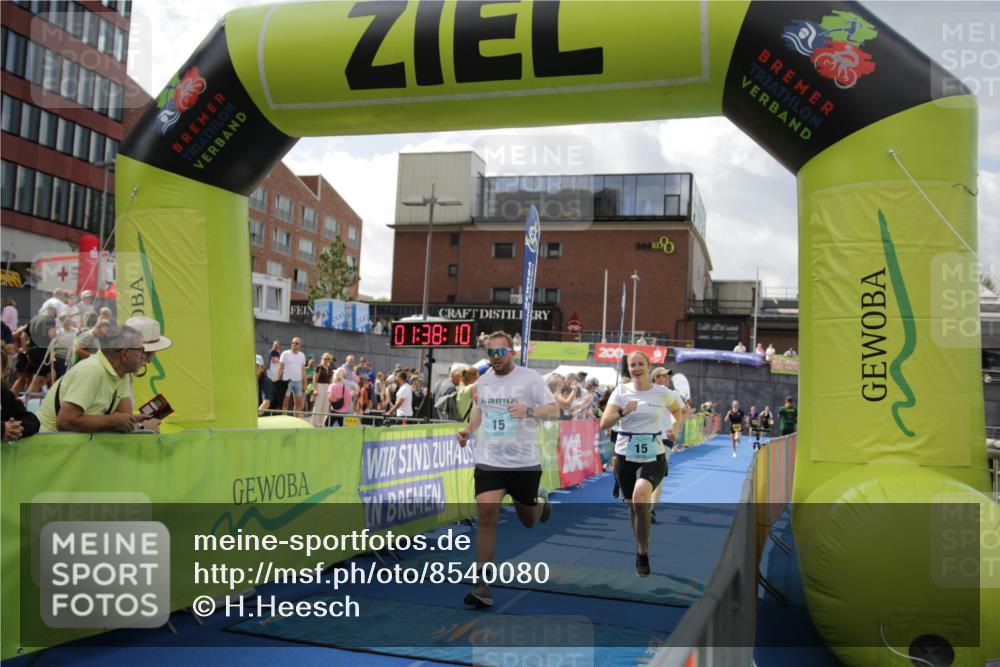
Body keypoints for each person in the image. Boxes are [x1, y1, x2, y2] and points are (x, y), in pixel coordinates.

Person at [457, 331, 559, 607]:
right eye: (491, 353)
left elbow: (553, 410)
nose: (495, 358)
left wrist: (528, 412)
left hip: (523, 463)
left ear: (511, 352)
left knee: (529, 520)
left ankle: (540, 503)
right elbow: (481, 410)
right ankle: (482, 586)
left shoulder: (530, 378)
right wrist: (468, 429)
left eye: (500, 352)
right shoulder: (485, 380)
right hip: (490, 460)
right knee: (487, 515)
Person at [600, 351, 683, 576]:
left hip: (653, 454)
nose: (636, 369)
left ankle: (642, 552)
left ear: (648, 366)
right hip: (625, 455)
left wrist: (674, 429)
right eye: (632, 365)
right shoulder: (621, 391)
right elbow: (603, 422)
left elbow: (678, 410)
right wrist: (622, 411)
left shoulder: (661, 392)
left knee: (640, 497)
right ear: (629, 368)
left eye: (640, 364)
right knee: (632, 507)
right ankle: (639, 546)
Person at [36, 323, 168, 433]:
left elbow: (124, 418)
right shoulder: (91, 370)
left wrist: (133, 421)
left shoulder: (121, 373)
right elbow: (66, 421)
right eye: (141, 350)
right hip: (50, 452)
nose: (143, 357)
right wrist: (140, 427)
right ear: (125, 353)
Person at [2, 348, 39, 441]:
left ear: (4, 372)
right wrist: (2, 429)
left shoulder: (4, 394)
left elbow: (32, 421)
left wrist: (14, 429)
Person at [276, 337, 307, 418]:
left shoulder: (302, 355)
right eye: (293, 342)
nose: (294, 344)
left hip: (298, 381)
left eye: (296, 343)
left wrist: (305, 383)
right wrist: (276, 380)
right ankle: (283, 419)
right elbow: (280, 367)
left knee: (298, 403)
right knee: (285, 402)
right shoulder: (285, 353)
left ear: (300, 345)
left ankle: (296, 420)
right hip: (286, 381)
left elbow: (303, 370)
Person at [311, 353, 334, 427]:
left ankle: (321, 423)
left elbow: (331, 380)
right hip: (320, 386)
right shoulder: (319, 367)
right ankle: (315, 423)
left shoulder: (330, 368)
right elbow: (314, 379)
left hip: (328, 387)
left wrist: (331, 390)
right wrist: (315, 389)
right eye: (325, 359)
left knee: (326, 406)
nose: (326, 360)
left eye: (328, 359)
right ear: (322, 359)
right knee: (318, 405)